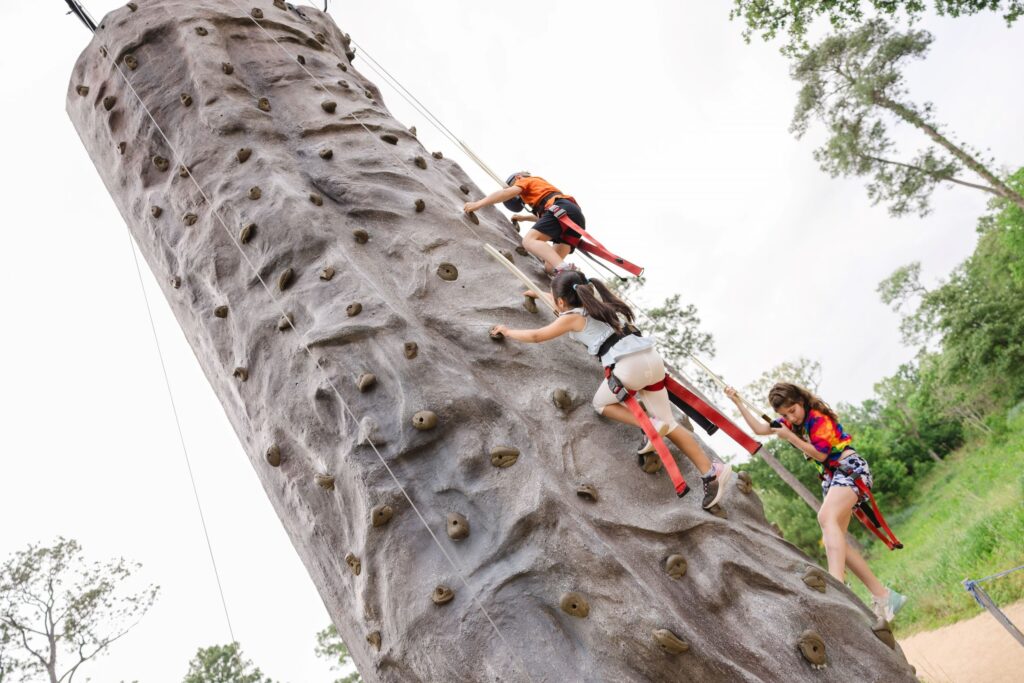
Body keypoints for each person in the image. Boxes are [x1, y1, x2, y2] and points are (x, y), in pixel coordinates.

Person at [490, 269, 733, 508]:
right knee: (670, 423)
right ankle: (711, 472)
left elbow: (536, 336)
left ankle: (650, 425)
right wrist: (540, 293)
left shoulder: (572, 317)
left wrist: (508, 331)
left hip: (628, 367)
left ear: (562, 301)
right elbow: (569, 304)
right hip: (652, 361)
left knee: (602, 404)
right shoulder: (606, 305)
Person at [725, 382, 907, 623]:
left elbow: (821, 454)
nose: (790, 417)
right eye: (784, 415)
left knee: (825, 518)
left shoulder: (819, 420)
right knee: (837, 539)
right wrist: (737, 402)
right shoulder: (793, 423)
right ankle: (884, 596)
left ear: (801, 401)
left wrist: (789, 435)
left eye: (793, 411)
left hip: (849, 470)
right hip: (833, 478)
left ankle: (837, 582)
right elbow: (760, 429)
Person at [463, 172, 583, 274]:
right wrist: (523, 218)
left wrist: (477, 204)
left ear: (518, 177)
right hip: (572, 216)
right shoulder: (541, 192)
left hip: (561, 209)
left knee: (529, 241)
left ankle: (565, 269)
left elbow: (506, 194)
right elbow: (548, 217)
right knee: (550, 267)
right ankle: (573, 273)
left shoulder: (524, 180)